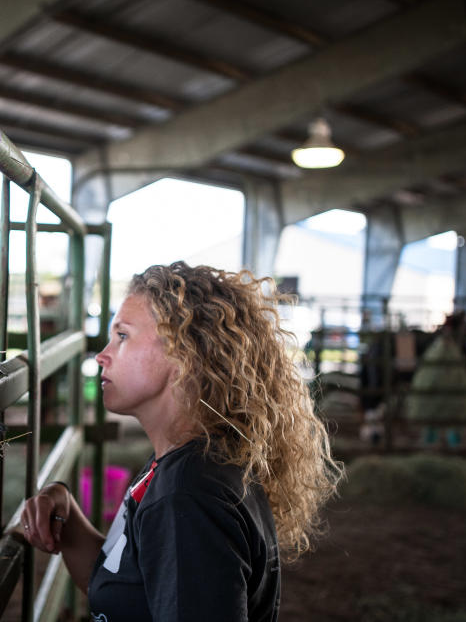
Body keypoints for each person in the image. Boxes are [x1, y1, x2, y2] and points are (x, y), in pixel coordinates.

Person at [20, 262, 343, 621]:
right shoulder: (187, 461)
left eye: (123, 336)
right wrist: (65, 510)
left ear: (181, 353)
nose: (102, 355)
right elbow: (130, 587)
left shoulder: (188, 494)